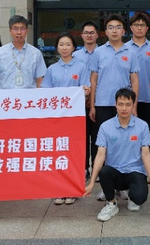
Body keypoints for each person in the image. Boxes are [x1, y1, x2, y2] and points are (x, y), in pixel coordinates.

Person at [84, 88, 150, 222]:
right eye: (120, 104)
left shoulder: (142, 126)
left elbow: (146, 154)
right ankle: (111, 203)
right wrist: (91, 183)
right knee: (104, 171)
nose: (124, 108)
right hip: (115, 172)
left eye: (128, 104)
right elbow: (100, 155)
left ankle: (132, 196)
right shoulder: (105, 127)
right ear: (115, 104)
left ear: (133, 105)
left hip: (135, 171)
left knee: (139, 198)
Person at [89, 14, 139, 201]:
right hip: (102, 104)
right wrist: (92, 105)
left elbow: (135, 80)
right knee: (103, 145)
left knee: (123, 145)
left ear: (124, 31)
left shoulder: (131, 52)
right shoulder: (98, 52)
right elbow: (93, 80)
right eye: (110, 27)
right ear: (106, 31)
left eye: (118, 27)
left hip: (124, 106)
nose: (114, 30)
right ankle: (106, 186)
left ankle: (121, 185)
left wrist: (133, 106)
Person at [41, 32, 91, 205]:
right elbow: (45, 91)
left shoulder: (81, 67)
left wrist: (85, 91)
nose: (64, 48)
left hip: (75, 117)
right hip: (57, 118)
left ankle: (72, 189)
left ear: (74, 47)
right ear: (57, 47)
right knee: (58, 152)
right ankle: (59, 189)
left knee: (74, 152)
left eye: (68, 44)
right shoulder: (51, 69)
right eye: (61, 44)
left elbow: (86, 88)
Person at [125, 12, 150, 158]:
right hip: (127, 99)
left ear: (147, 28)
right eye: (136, 25)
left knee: (147, 133)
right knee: (127, 133)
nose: (139, 28)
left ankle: (147, 164)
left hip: (147, 97)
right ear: (131, 28)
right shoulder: (124, 47)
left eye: (142, 25)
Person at [0, 15, 47, 89]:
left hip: (28, 95)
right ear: (10, 30)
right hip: (6, 95)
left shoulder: (36, 53)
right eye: (15, 28)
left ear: (27, 30)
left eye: (22, 29)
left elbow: (40, 79)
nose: (19, 32)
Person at [73, 20, 99, 178]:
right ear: (81, 35)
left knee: (97, 137)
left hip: (98, 101)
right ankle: (83, 168)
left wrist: (92, 98)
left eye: (92, 32)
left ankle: (97, 168)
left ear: (97, 35)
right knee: (81, 137)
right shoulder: (75, 55)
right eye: (86, 33)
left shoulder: (102, 52)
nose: (89, 35)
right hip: (79, 103)